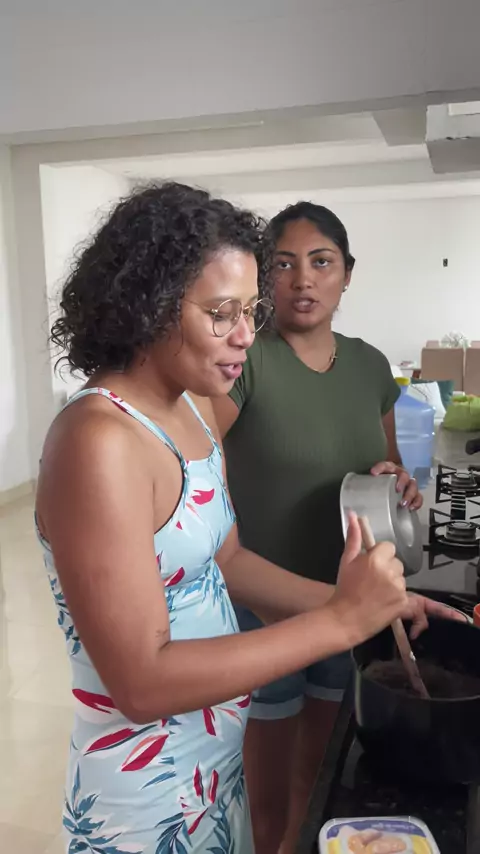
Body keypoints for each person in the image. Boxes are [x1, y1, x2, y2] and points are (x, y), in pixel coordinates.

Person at [36, 184, 452, 854]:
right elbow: (140, 682)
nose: (244, 335)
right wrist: (339, 623)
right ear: (148, 306)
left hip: (213, 765)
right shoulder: (98, 440)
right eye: (220, 313)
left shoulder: (191, 408)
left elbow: (229, 561)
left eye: (250, 311)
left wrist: (368, 606)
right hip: (147, 797)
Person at [211, 201, 455, 854]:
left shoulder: (370, 366)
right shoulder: (245, 362)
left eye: (321, 262)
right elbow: (199, 473)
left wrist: (396, 482)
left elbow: (390, 470)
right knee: (265, 800)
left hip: (350, 603)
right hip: (264, 607)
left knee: (317, 776)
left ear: (347, 273)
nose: (303, 280)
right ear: (263, 277)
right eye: (283, 264)